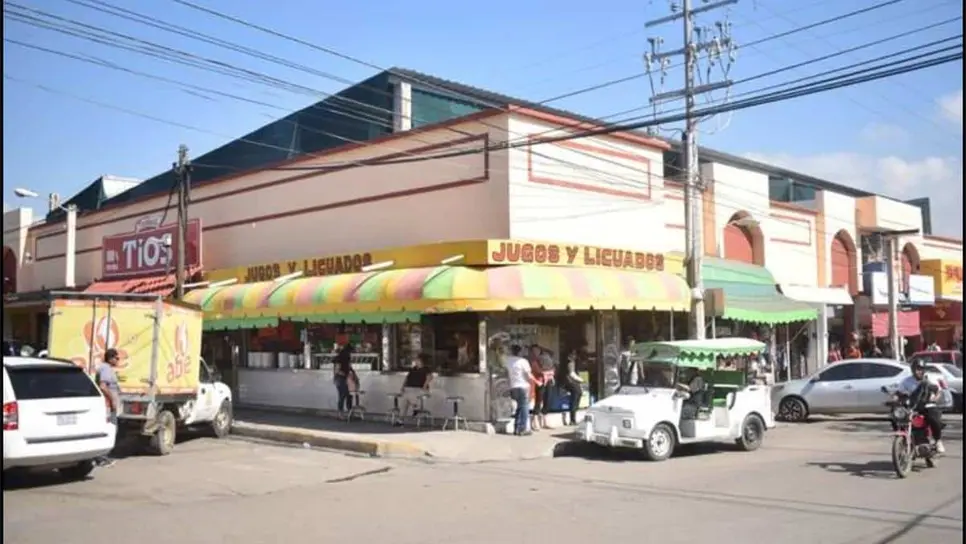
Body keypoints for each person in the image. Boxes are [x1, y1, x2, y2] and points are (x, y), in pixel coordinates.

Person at [896, 360, 945, 454]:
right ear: (912, 370)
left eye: (920, 369)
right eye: (916, 369)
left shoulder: (929, 380)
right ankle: (905, 438)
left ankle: (938, 440)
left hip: (927, 405)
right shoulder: (906, 381)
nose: (918, 371)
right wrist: (894, 399)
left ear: (924, 370)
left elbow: (938, 391)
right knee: (897, 416)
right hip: (912, 407)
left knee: (933, 418)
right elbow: (899, 393)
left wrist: (935, 398)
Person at [94, 348, 122, 468]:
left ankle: (103, 457)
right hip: (107, 405)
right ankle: (101, 458)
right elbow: (103, 386)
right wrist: (112, 400)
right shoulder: (105, 368)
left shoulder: (108, 368)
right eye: (117, 358)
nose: (118, 360)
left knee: (112, 429)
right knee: (110, 430)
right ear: (111, 358)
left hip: (109, 404)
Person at [506, 345, 536, 436]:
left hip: (512, 386)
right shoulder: (523, 361)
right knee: (524, 408)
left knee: (519, 407)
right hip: (523, 386)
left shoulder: (508, 361)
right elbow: (528, 375)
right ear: (520, 352)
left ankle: (517, 428)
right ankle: (522, 429)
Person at [398, 353, 433, 425]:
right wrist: (403, 387)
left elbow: (430, 377)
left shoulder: (426, 369)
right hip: (410, 389)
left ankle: (415, 408)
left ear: (421, 361)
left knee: (407, 395)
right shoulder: (413, 369)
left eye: (417, 360)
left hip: (419, 389)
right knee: (404, 400)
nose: (416, 361)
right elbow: (407, 378)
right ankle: (401, 419)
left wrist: (424, 386)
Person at [556, 350, 584, 426]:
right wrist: (580, 380)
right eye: (573, 354)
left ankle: (573, 418)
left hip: (568, 383)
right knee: (575, 398)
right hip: (570, 382)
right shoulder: (570, 362)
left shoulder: (567, 362)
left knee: (575, 398)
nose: (575, 356)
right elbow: (572, 374)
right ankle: (572, 419)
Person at [333, 344, 357, 414]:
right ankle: (341, 412)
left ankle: (349, 411)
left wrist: (352, 373)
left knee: (348, 394)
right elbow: (337, 371)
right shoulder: (339, 359)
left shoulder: (346, 358)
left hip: (344, 378)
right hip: (340, 378)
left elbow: (349, 367)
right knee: (343, 395)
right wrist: (346, 374)